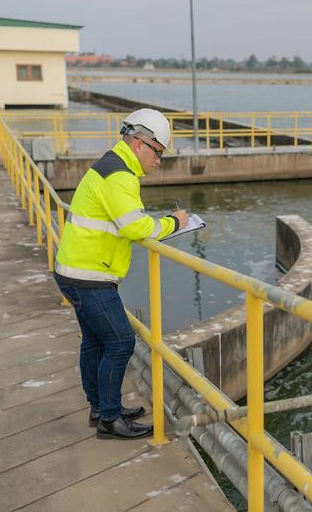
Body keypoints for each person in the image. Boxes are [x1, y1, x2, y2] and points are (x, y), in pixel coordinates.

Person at [54, 108, 189, 439]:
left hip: (75, 269)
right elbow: (134, 226)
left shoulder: (110, 164)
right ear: (140, 142)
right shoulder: (120, 174)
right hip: (90, 277)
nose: (159, 160)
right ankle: (110, 419)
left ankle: (100, 407)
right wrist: (176, 222)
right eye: (158, 152)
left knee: (95, 341)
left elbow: (123, 218)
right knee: (120, 341)